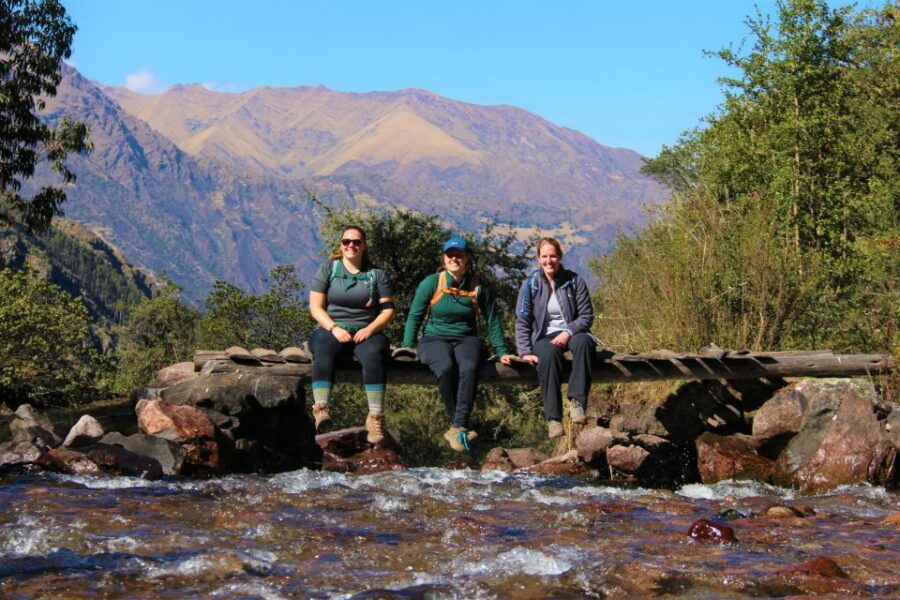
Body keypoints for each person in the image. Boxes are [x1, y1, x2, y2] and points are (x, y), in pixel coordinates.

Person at [400, 236, 514, 452]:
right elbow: (414, 316)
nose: (454, 259)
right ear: (444, 258)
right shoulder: (432, 283)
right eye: (450, 255)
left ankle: (457, 426)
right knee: (444, 367)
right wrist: (407, 346)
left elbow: (492, 320)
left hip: (467, 338)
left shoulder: (478, 286)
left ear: (467, 259)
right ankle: (459, 426)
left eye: (459, 255)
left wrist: (501, 351)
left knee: (469, 367)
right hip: (434, 338)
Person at [308, 225, 395, 443]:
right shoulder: (329, 270)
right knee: (322, 347)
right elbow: (315, 307)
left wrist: (370, 329)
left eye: (356, 242)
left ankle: (375, 418)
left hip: (366, 331)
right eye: (346, 242)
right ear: (341, 245)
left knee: (375, 353)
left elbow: (388, 310)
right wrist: (334, 328)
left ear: (364, 246)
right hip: (333, 329)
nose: (351, 246)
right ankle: (321, 408)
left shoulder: (377, 275)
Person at [515, 237, 595, 439]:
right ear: (538, 259)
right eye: (544, 256)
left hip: (572, 331)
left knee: (585, 343)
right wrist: (524, 352)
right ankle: (554, 419)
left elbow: (586, 316)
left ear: (559, 257)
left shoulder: (574, 282)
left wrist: (568, 331)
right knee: (548, 356)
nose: (548, 261)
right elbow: (522, 320)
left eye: (552, 256)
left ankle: (577, 402)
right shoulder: (531, 284)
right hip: (544, 336)